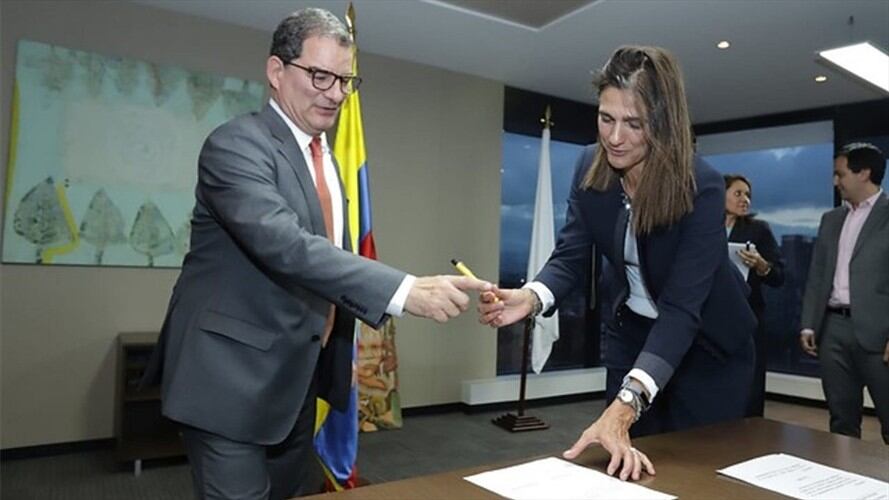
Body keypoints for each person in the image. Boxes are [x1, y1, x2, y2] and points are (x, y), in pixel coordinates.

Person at [141, 8, 491, 499]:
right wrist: (405, 290)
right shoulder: (236, 145)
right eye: (320, 76)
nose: (335, 93)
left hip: (296, 384)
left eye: (345, 80)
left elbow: (329, 261)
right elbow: (286, 246)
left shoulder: (326, 160)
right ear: (276, 72)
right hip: (226, 385)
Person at [479, 46, 756, 481]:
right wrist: (531, 298)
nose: (614, 137)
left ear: (662, 125)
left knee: (699, 476)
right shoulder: (591, 165)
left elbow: (683, 309)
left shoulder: (698, 184)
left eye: (634, 124)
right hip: (634, 337)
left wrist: (628, 403)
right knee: (625, 469)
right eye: (606, 118)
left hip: (707, 347)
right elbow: (570, 256)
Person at [799, 142, 888, 444]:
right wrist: (809, 323)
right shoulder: (831, 219)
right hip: (832, 330)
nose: (836, 181)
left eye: (841, 174)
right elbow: (817, 274)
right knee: (841, 420)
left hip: (880, 335)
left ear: (864, 173)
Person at [724, 174, 785, 417]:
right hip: (708, 317)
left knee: (749, 384)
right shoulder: (703, 225)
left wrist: (761, 265)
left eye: (748, 195)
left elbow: (779, 276)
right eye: (738, 193)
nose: (745, 200)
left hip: (747, 318)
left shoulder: (758, 230)